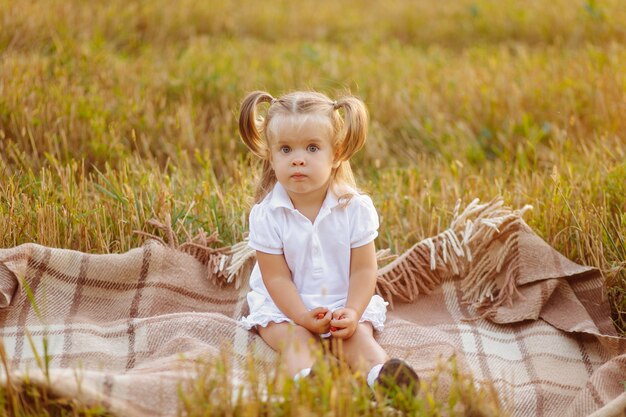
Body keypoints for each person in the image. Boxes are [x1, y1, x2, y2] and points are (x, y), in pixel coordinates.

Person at [238, 90, 419, 395]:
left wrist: (351, 310)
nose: (298, 159)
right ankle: (312, 382)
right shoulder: (266, 214)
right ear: (270, 155)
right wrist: (301, 317)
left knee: (356, 337)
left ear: (335, 154)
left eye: (311, 148)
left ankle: (383, 377)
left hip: (341, 302)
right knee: (298, 339)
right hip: (285, 308)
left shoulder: (354, 208)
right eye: (285, 149)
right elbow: (275, 276)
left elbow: (363, 270)